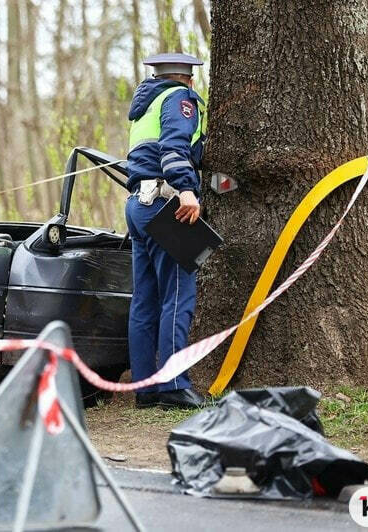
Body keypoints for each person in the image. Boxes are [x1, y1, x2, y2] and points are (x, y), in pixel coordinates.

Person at [125, 53, 207, 409]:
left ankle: (145, 389)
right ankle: (173, 385)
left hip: (138, 206)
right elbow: (173, 147)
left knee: (145, 301)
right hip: (166, 203)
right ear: (188, 79)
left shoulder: (145, 104)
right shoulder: (179, 99)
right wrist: (186, 188)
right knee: (178, 296)